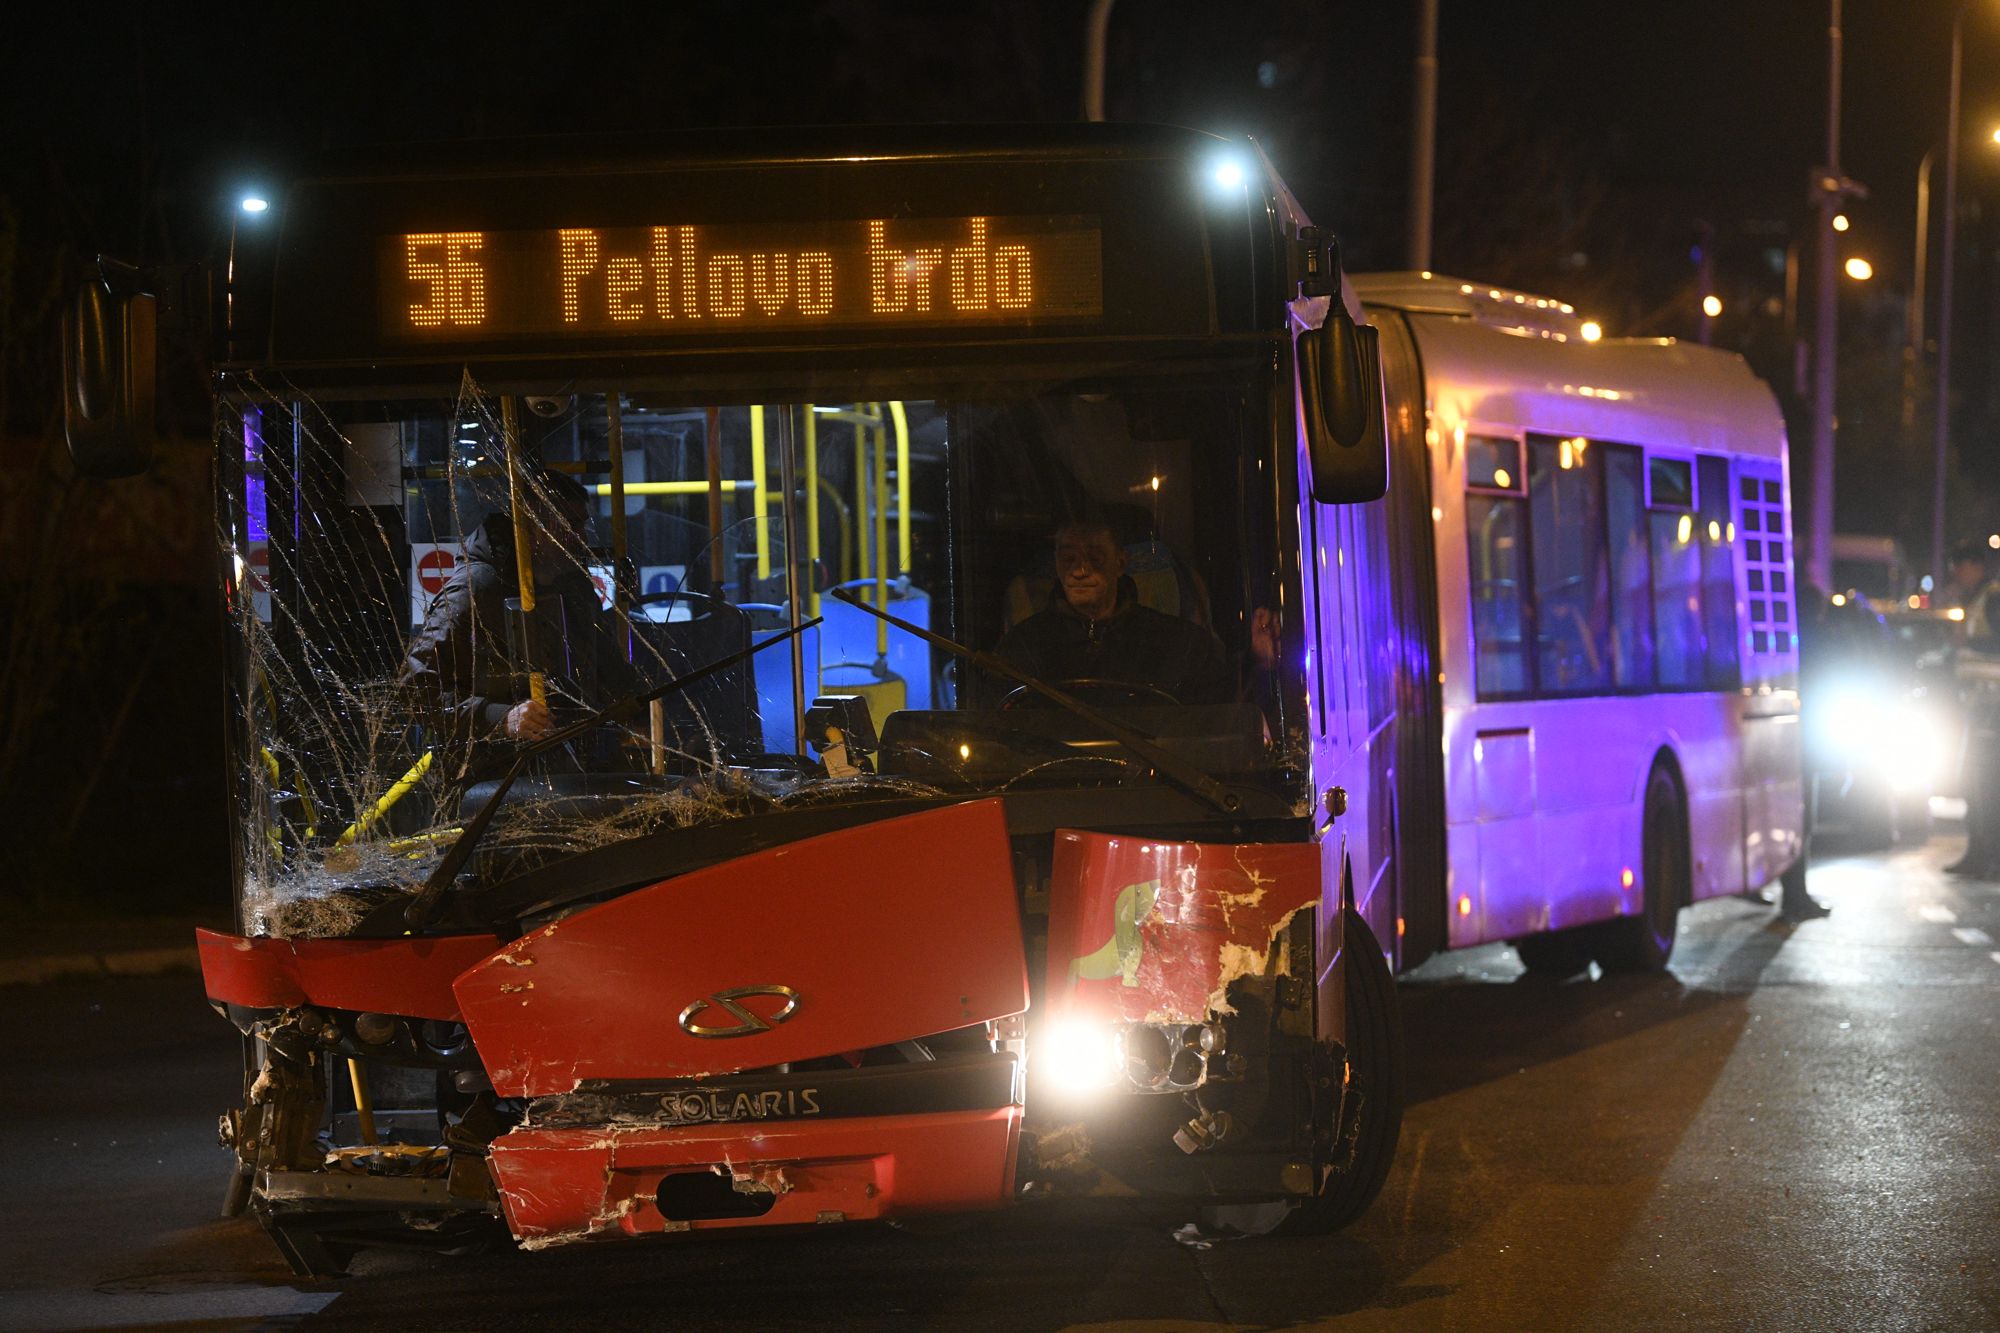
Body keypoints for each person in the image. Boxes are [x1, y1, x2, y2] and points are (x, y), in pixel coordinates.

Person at [399, 469, 600, 761]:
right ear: (532, 527)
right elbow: (416, 691)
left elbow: (605, 663)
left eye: (582, 526)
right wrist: (500, 718)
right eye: (569, 525)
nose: (580, 539)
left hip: (571, 758)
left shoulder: (573, 585)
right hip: (491, 770)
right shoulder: (477, 588)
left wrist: (636, 714)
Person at [994, 518, 1230, 704]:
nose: (1080, 571)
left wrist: (1258, 662)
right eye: (1068, 559)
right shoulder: (1022, 648)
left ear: (1120, 563)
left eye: (1095, 558)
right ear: (1056, 563)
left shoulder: (1179, 645)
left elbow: (1215, 720)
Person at [1944, 540, 2000, 877]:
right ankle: (1979, 852)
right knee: (1974, 781)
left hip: (1992, 707)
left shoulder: (1992, 598)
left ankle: (1986, 855)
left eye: (1958, 569)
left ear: (1974, 566)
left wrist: (1968, 643)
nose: (1957, 577)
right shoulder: (1976, 599)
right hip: (1979, 704)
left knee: (1985, 783)